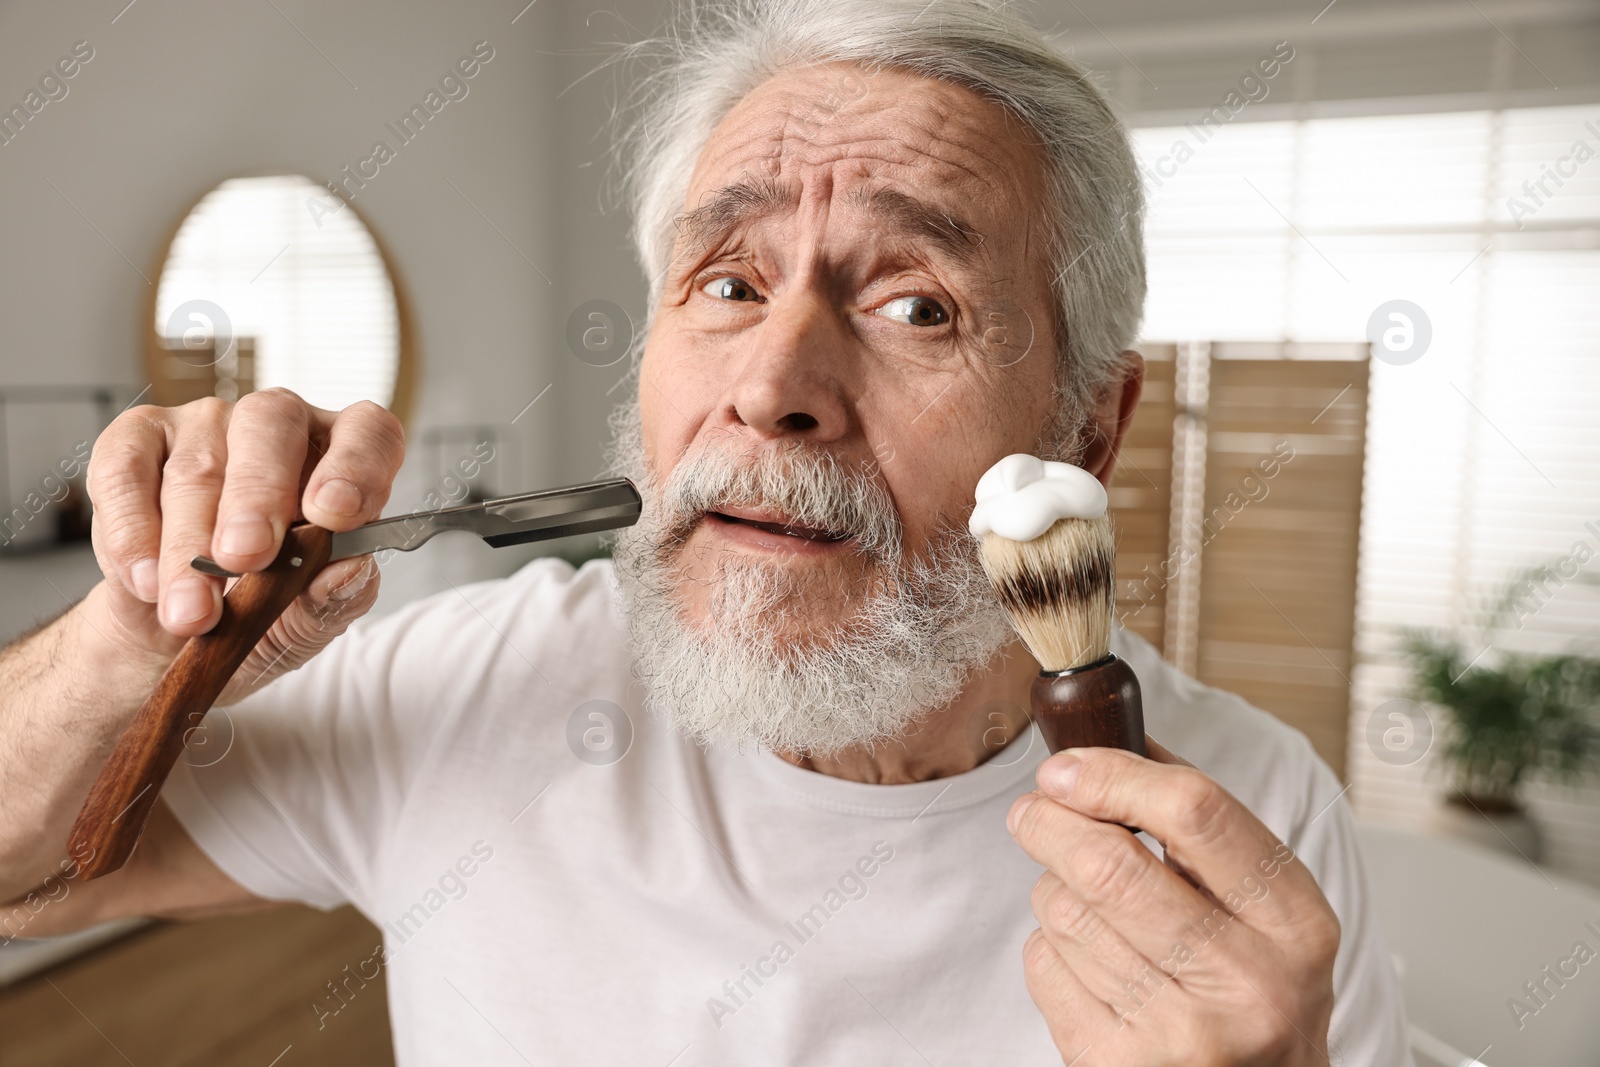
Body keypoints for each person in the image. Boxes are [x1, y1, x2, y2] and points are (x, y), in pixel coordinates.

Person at [0, 0, 1413, 1062]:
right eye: (727, 284)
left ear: (1088, 429)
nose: (773, 389)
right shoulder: (473, 681)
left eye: (918, 305)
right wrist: (129, 639)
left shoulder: (1251, 820)